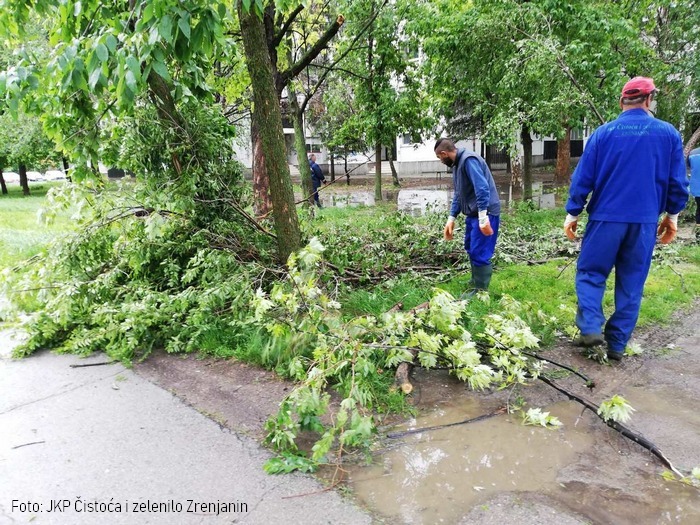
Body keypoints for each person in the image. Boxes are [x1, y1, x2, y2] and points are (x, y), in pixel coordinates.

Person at [564, 76, 689, 361]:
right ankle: (617, 346)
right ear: (649, 100)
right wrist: (672, 216)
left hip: (606, 219)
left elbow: (583, 178)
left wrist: (573, 213)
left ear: (622, 102)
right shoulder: (668, 134)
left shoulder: (603, 133)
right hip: (644, 222)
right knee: (632, 282)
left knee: (591, 273)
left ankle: (591, 327)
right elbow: (677, 182)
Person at [436, 138, 501, 295]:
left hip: (485, 212)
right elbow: (459, 193)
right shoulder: (457, 165)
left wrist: (483, 217)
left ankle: (480, 290)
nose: (440, 161)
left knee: (480, 251)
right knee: (471, 247)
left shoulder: (469, 160)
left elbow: (482, 188)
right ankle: (475, 281)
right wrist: (451, 218)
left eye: (439, 158)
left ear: (444, 153)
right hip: (472, 214)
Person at [688, 147, 700, 240]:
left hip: (697, 187)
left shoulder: (692, 152)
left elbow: (690, 166)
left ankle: (699, 235)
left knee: (699, 209)